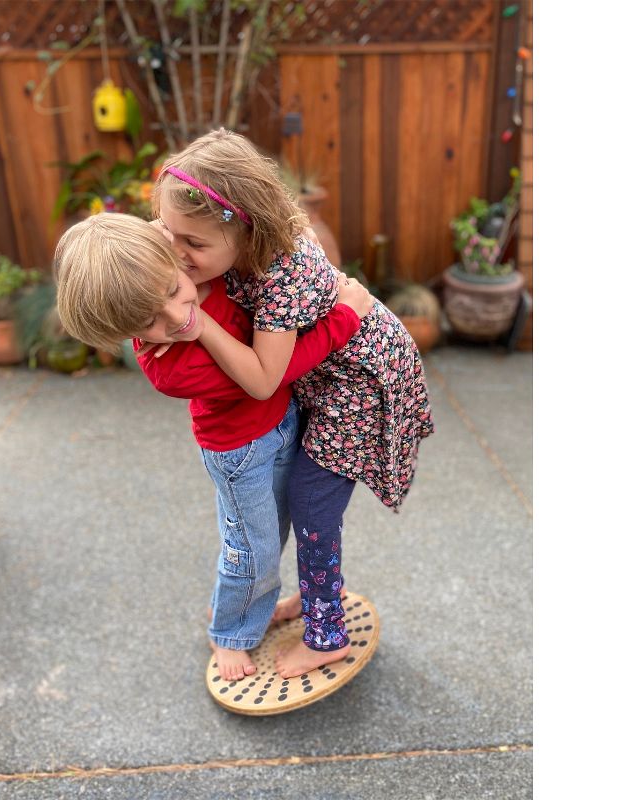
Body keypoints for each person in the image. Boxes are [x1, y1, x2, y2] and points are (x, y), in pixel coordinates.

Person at [148, 128, 435, 679]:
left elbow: (261, 380)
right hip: (326, 376)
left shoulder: (280, 274)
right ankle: (313, 595)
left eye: (194, 244)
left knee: (311, 503)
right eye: (169, 232)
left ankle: (327, 634)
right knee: (303, 500)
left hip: (357, 385)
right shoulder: (238, 238)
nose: (178, 255)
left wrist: (200, 324)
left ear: (245, 228)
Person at [54, 212, 375, 681]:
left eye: (170, 292)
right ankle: (228, 632)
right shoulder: (171, 369)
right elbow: (271, 373)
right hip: (241, 454)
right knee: (252, 547)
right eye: (151, 324)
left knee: (278, 531)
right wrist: (342, 319)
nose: (177, 318)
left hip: (283, 424)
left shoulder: (199, 270)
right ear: (126, 335)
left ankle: (249, 606)